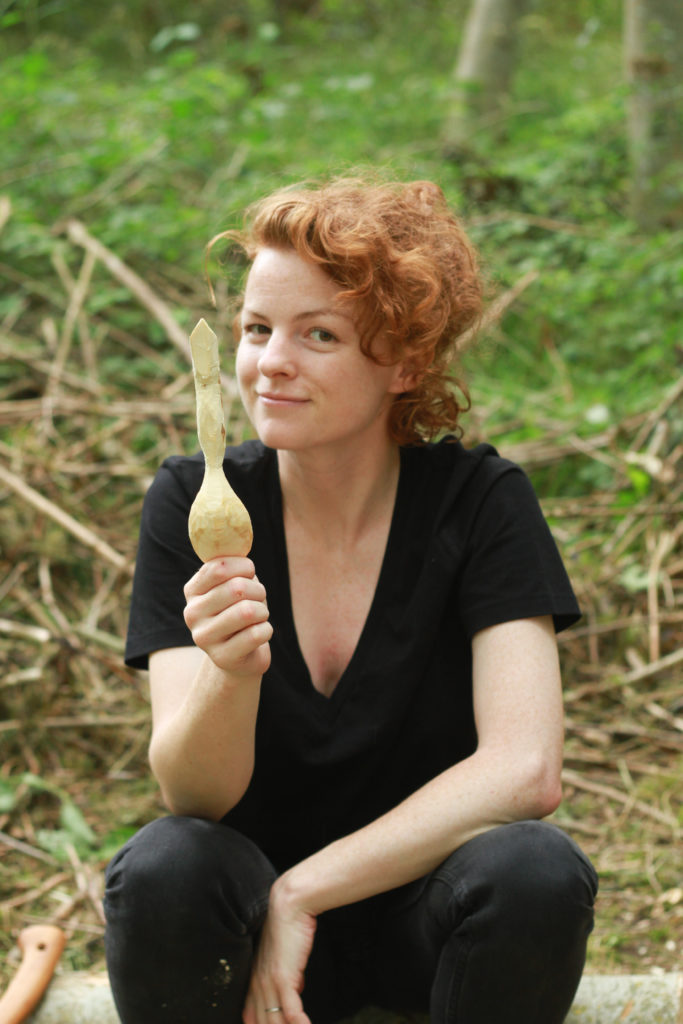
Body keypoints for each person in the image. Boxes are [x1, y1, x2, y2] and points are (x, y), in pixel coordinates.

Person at [104, 175, 598, 1024]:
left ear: (405, 362)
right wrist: (231, 671)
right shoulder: (198, 502)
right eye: (257, 329)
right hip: (244, 935)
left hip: (426, 926)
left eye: (319, 334)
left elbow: (525, 770)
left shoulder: (479, 503)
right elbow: (193, 796)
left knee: (535, 869)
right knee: (164, 864)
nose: (270, 363)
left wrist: (306, 893)